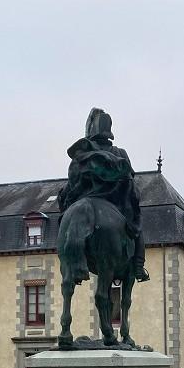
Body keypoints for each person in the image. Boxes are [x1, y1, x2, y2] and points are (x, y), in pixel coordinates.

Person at [59, 108, 149, 282]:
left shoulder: (81, 154)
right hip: (116, 204)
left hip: (83, 199)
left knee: (67, 219)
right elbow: (130, 183)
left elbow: (72, 185)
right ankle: (138, 266)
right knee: (137, 229)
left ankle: (69, 258)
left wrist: (65, 196)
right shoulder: (120, 154)